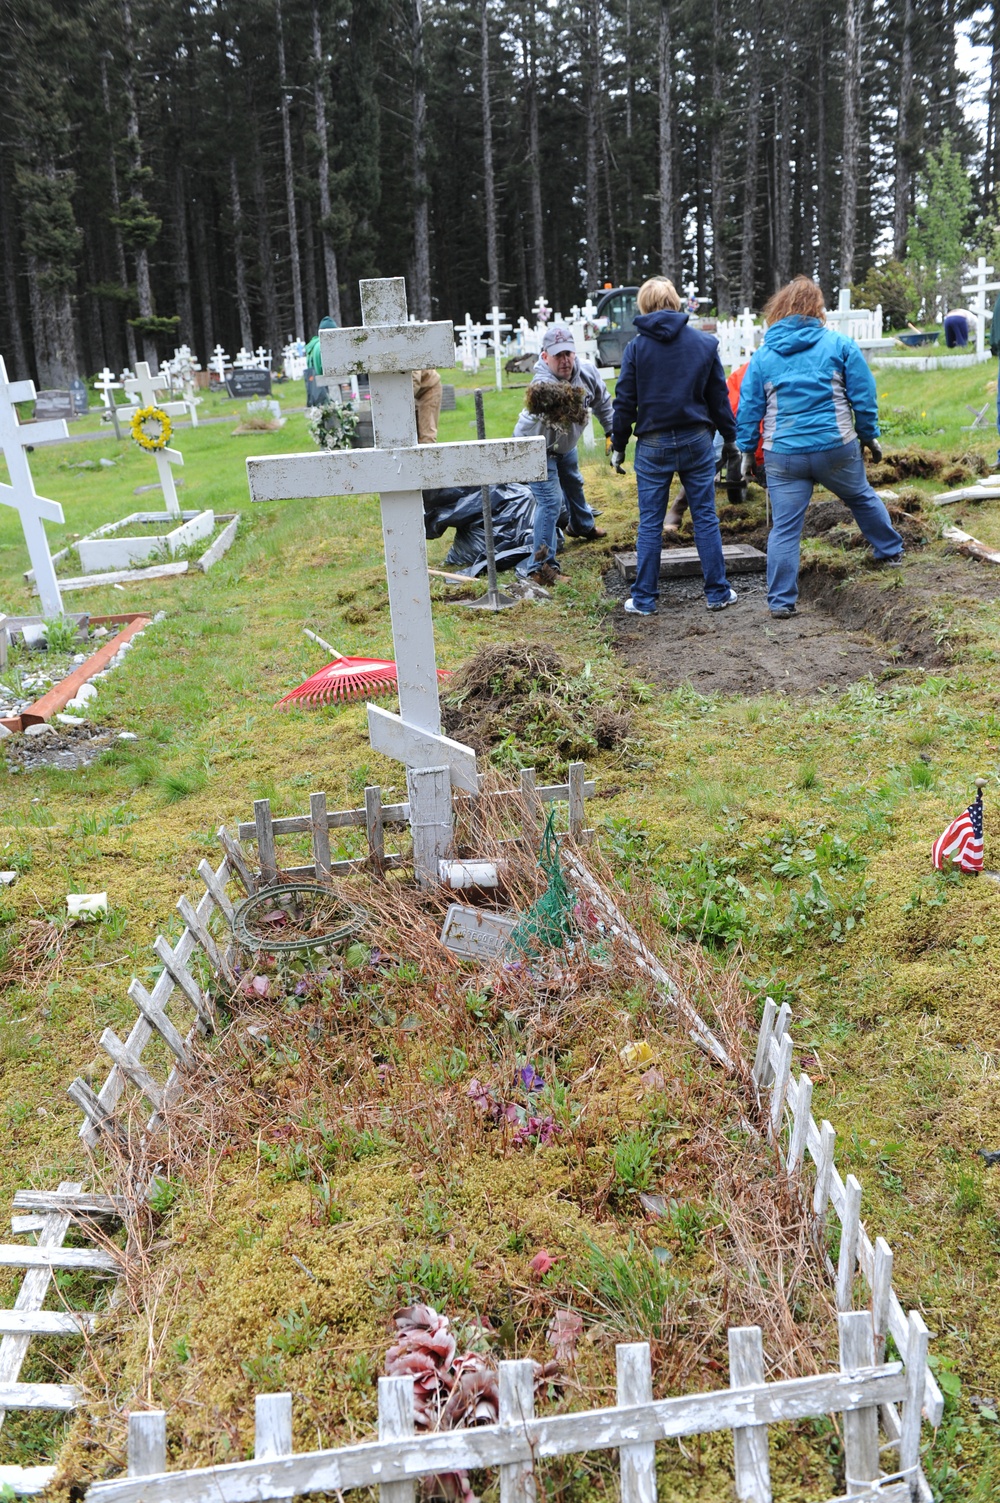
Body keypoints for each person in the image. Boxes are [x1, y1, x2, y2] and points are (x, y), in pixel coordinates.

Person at [736, 276, 903, 620]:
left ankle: (781, 601)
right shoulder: (840, 345)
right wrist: (869, 435)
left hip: (784, 457)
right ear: (817, 309)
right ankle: (889, 550)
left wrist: (744, 453)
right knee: (860, 496)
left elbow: (749, 409)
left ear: (779, 310)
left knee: (784, 528)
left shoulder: (764, 356)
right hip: (835, 448)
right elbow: (863, 396)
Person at [610, 276, 739, 614]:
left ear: (644, 307)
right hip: (696, 438)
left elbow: (625, 402)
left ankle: (644, 600)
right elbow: (718, 398)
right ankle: (717, 593)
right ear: (676, 303)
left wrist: (619, 444)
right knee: (706, 517)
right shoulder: (703, 343)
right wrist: (730, 437)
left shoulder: (636, 349)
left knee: (650, 523)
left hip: (653, 444)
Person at [514, 326, 611, 582]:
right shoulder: (542, 387)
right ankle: (542, 569)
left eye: (568, 353)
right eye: (558, 355)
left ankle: (581, 525)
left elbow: (602, 400)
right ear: (545, 357)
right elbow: (559, 405)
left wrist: (611, 431)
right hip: (536, 450)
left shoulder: (586, 372)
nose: (565, 360)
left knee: (574, 484)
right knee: (551, 502)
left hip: (564, 446)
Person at [412, 368, 442, 443]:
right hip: (416, 393)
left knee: (426, 434)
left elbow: (414, 380)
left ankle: (428, 454)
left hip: (429, 389)